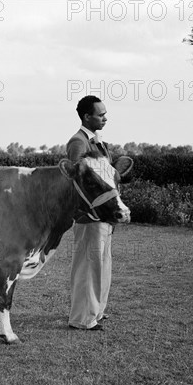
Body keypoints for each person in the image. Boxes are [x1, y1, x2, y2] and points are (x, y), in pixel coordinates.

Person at [66, 95, 113, 331]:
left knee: (102, 264)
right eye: (100, 114)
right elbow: (79, 181)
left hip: (104, 213)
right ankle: (82, 318)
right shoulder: (78, 142)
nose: (105, 118)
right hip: (89, 215)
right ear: (87, 116)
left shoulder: (98, 141)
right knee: (88, 265)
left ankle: (96, 311)